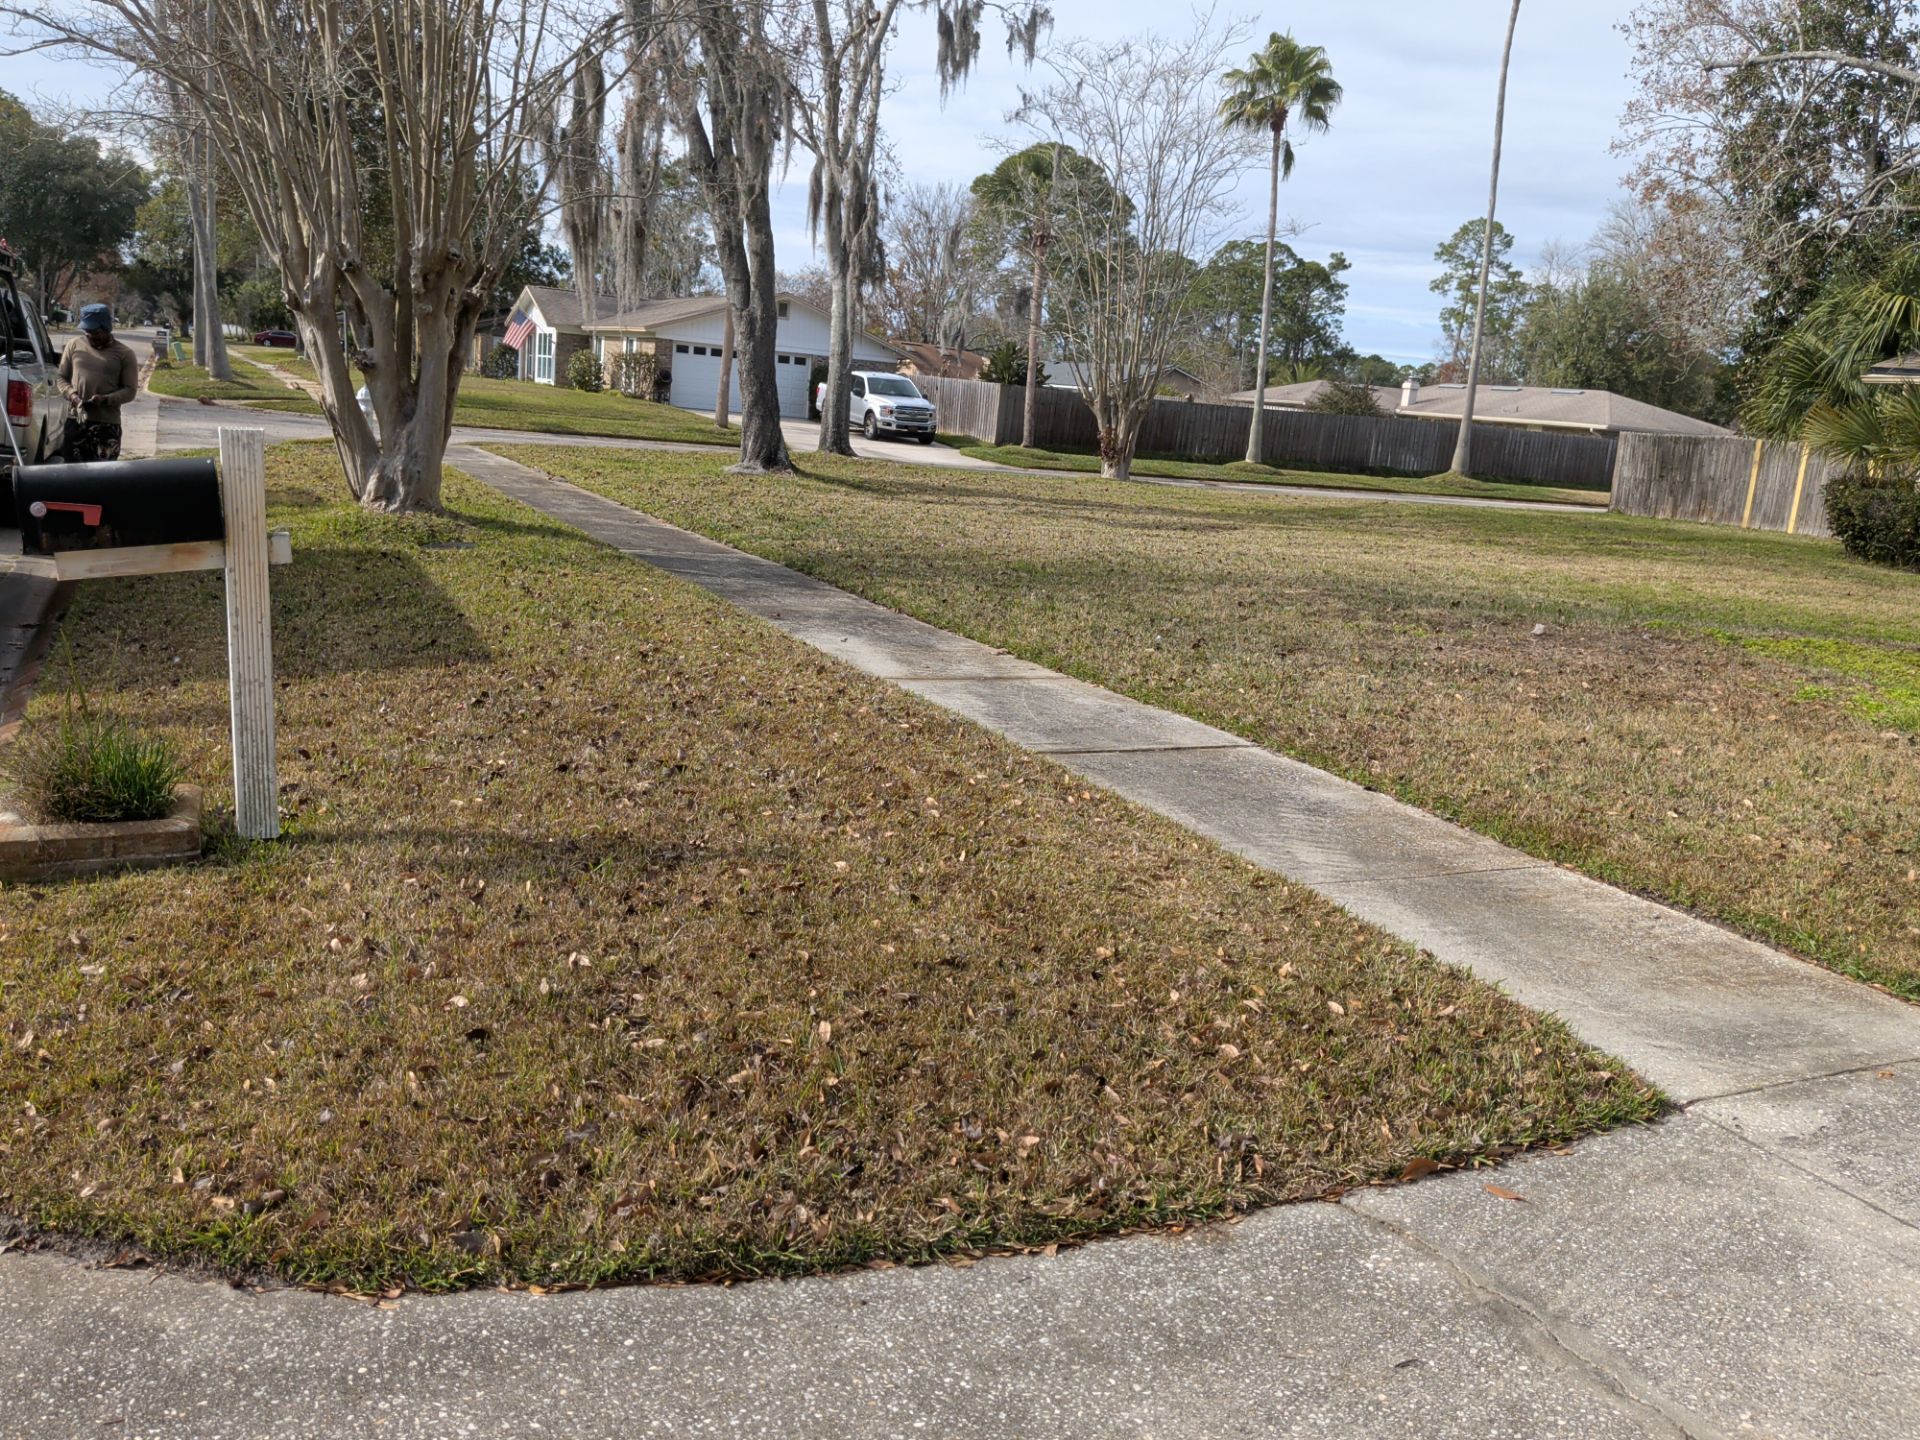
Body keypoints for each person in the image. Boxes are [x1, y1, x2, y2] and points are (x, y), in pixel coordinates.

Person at [58, 303, 140, 462]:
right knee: (70, 476)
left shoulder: (125, 354)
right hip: (76, 422)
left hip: (106, 426)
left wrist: (106, 399)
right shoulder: (74, 345)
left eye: (95, 332)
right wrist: (73, 395)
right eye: (87, 331)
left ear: (106, 329)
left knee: (101, 479)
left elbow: (130, 390)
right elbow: (61, 377)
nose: (90, 335)